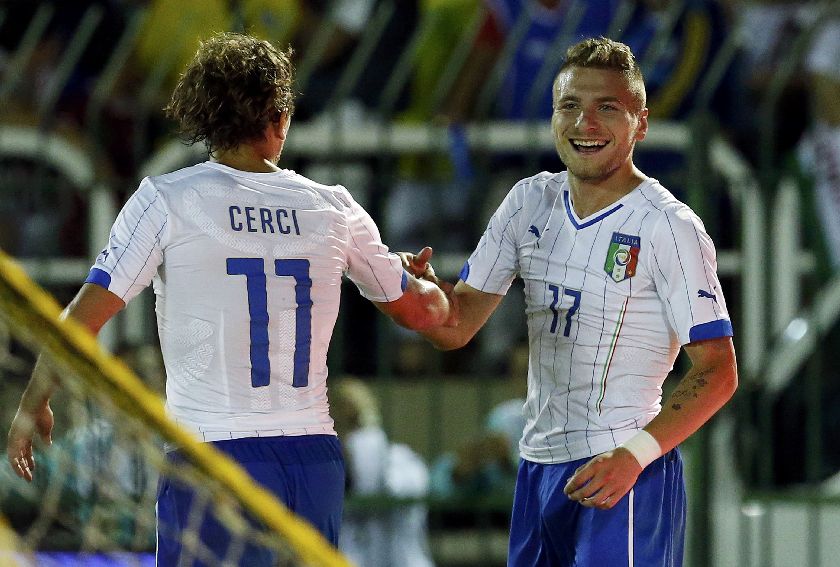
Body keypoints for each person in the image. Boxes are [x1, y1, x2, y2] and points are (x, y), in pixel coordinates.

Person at [6, 32, 457, 566]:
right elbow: (426, 313)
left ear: (203, 116)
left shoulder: (167, 200)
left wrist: (33, 401)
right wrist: (424, 281)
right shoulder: (333, 208)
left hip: (213, 457)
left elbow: (84, 316)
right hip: (312, 460)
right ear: (280, 117)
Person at [403, 37, 738, 566]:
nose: (586, 123)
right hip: (537, 468)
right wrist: (408, 291)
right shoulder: (527, 200)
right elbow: (455, 325)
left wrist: (634, 457)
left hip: (623, 470)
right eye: (570, 106)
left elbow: (718, 372)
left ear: (641, 124)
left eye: (607, 107)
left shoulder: (669, 227)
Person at [330, 377, 435, 567]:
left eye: (353, 417)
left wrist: (357, 453)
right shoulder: (314, 472)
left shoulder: (403, 461)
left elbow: (396, 491)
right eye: (336, 413)